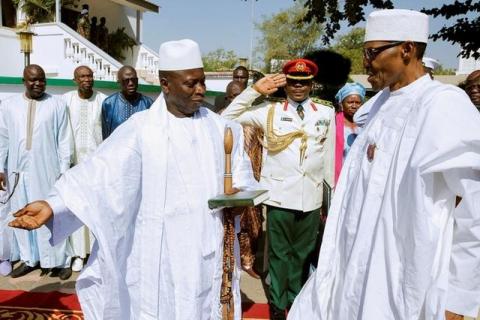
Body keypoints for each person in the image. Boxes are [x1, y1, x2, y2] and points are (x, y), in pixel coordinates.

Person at [9, 39, 257, 320]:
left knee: (205, 305)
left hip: (207, 244)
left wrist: (240, 197)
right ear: (166, 84)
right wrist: (54, 205)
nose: (201, 90)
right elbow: (100, 174)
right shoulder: (142, 131)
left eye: (202, 81)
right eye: (191, 84)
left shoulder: (223, 128)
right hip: (161, 251)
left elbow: (241, 175)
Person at [288, 9, 480, 320]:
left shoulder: (442, 104)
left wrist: (459, 298)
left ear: (407, 49)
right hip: (355, 272)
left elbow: (474, 209)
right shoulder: (378, 108)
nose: (365, 60)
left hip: (402, 278)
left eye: (372, 52)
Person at [222, 58, 335, 320]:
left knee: (303, 255)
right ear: (285, 84)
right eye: (293, 82)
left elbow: (327, 160)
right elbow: (227, 118)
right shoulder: (269, 111)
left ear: (311, 85)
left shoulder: (325, 113)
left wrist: (331, 199)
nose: (297, 87)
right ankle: (276, 305)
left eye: (303, 83)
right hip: (280, 198)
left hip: (312, 197)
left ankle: (297, 302)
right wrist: (255, 91)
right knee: (279, 254)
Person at [0, 65, 73, 279]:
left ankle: (60, 261)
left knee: (50, 214)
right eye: (33, 80)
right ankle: (30, 259)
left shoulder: (57, 105)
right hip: (16, 170)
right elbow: (3, 138)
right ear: (23, 81)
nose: (38, 84)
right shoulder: (8, 106)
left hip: (47, 169)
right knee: (21, 213)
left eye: (41, 80)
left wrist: (63, 170)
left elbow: (64, 140)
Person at [63, 66, 106, 272]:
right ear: (75, 80)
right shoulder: (65, 100)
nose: (87, 79)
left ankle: (96, 254)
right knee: (76, 210)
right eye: (82, 76)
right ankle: (79, 254)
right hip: (74, 165)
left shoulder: (102, 100)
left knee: (97, 210)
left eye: (89, 76)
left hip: (97, 167)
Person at [101, 66, 153, 139]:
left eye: (133, 80)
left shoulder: (148, 103)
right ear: (119, 82)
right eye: (126, 80)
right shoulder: (109, 104)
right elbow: (106, 135)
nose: (131, 83)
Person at [333, 82, 365, 183]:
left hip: (359, 174)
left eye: (358, 102)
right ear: (341, 104)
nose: (354, 106)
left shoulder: (367, 123)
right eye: (350, 102)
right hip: (340, 175)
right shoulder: (333, 123)